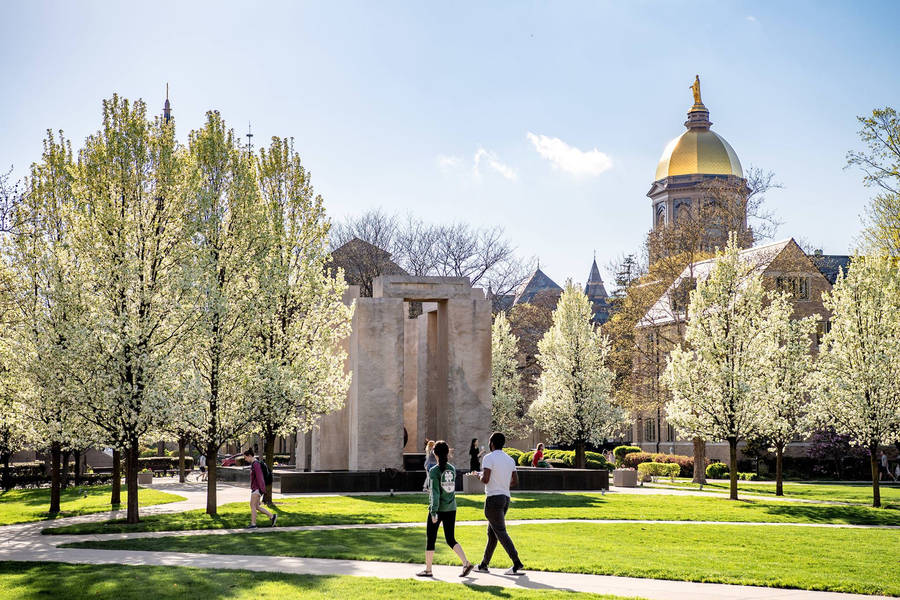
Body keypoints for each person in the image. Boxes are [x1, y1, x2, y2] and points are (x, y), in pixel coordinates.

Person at [468, 432, 525, 576]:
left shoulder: (488, 458)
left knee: (500, 531)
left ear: (492, 443)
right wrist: (503, 484)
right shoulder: (510, 460)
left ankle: (516, 562)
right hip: (506, 498)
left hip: (493, 498)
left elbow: (485, 479)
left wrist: (478, 475)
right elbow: (515, 481)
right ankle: (483, 564)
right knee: (492, 533)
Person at [416, 441, 474, 578]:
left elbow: (434, 493)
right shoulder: (452, 469)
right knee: (450, 539)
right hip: (451, 508)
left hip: (439, 509)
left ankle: (428, 570)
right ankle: (466, 563)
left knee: (431, 538)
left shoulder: (434, 471)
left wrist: (433, 512)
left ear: (434, 453)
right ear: (447, 453)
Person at [243, 449, 277, 529]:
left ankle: (253, 524)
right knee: (256, 506)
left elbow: (260, 477)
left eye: (245, 458)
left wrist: (262, 489)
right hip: (257, 488)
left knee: (253, 506)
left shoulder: (256, 464)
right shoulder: (255, 464)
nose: (245, 459)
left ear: (250, 456)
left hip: (257, 489)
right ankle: (272, 516)